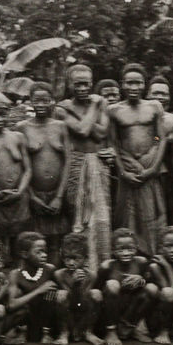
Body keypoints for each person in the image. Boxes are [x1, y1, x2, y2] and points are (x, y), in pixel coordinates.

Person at [55, 64, 113, 272]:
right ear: (70, 84)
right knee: (77, 214)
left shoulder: (101, 103)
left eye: (86, 83)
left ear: (92, 83)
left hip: (98, 164)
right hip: (76, 162)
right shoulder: (62, 108)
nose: (82, 88)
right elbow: (81, 131)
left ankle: (101, 266)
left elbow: (100, 134)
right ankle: (77, 266)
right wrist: (94, 108)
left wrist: (91, 114)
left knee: (101, 216)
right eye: (77, 83)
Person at [108, 64, 168, 254]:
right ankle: (129, 256)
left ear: (144, 85)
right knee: (127, 215)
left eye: (138, 83)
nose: (133, 87)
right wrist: (123, 172)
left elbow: (160, 138)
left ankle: (152, 254)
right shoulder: (114, 110)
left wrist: (153, 166)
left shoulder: (154, 106)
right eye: (129, 83)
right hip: (128, 167)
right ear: (122, 85)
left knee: (152, 214)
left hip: (149, 166)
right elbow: (113, 142)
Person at [16, 83, 71, 266]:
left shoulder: (61, 126)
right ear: (30, 101)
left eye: (45, 100)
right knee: (34, 241)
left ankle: (53, 280)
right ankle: (35, 280)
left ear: (52, 102)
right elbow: (21, 165)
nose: (41, 104)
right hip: (34, 194)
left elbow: (67, 162)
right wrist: (31, 196)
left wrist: (59, 197)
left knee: (55, 241)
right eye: (36, 100)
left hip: (58, 193)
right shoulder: (22, 127)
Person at [0, 91, 31, 264]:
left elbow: (28, 169)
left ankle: (20, 268)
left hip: (20, 196)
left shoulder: (18, 137)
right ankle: (1, 270)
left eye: (2, 115)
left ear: (8, 115)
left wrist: (20, 191)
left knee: (20, 236)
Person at [93, 228, 157, 345]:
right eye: (121, 250)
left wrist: (141, 280)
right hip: (110, 312)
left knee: (152, 288)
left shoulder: (141, 263)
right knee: (112, 284)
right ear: (113, 250)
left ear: (136, 248)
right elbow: (97, 292)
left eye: (130, 249)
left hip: (131, 310)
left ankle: (131, 328)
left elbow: (152, 283)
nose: (126, 253)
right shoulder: (107, 267)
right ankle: (111, 331)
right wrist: (119, 285)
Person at [5, 231, 66, 345]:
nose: (44, 255)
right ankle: (19, 332)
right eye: (39, 252)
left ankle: (50, 334)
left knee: (54, 293)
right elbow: (11, 305)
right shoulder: (15, 274)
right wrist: (39, 290)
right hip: (29, 323)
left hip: (48, 323)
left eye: (45, 251)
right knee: (17, 293)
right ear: (25, 254)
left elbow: (63, 295)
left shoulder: (49, 270)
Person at [54, 233, 104, 345]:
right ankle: (64, 333)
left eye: (76, 258)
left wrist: (79, 284)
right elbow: (70, 301)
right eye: (67, 258)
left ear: (85, 258)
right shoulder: (59, 274)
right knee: (61, 294)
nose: (71, 263)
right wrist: (74, 283)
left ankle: (89, 332)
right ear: (62, 257)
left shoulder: (91, 275)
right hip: (68, 315)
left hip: (84, 315)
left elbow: (82, 302)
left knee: (95, 293)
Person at [147, 76, 173, 226]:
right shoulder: (141, 117)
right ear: (148, 95)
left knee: (170, 212)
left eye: (164, 94)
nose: (160, 97)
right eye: (156, 93)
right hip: (144, 170)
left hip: (170, 173)